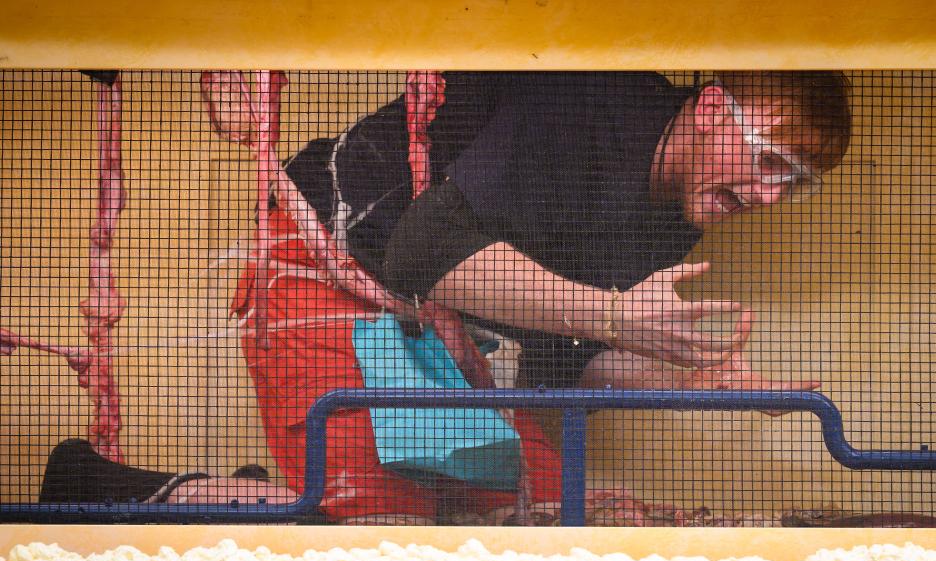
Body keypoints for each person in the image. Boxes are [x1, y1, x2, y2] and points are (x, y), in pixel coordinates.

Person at [79, 71, 847, 525]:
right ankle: (112, 489)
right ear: (713, 108)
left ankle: (265, 499)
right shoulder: (590, 101)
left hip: (439, 335)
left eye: (797, 184)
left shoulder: (675, 213)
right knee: (386, 542)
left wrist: (704, 383)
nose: (772, 195)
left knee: (552, 529)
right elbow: (426, 251)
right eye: (771, 161)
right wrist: (617, 316)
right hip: (327, 268)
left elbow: (558, 362)